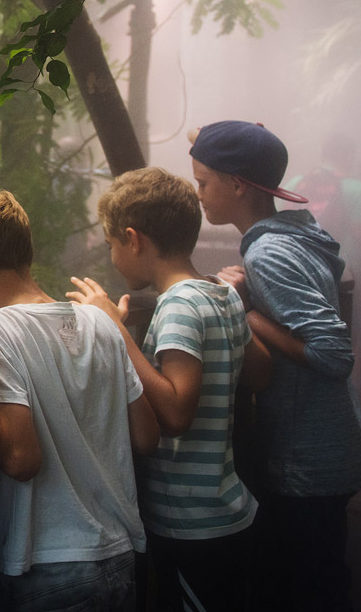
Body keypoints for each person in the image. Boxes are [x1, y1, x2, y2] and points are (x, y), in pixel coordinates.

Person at [0, 184, 158, 612]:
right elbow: (147, 436)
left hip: (47, 567)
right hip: (118, 554)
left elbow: (22, 460)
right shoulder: (99, 322)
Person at [188, 120, 361, 611]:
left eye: (204, 182)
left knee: (309, 590)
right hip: (326, 445)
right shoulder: (292, 234)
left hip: (307, 459)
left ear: (237, 184)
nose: (198, 193)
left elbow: (334, 354)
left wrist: (243, 308)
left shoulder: (269, 252)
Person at [68, 167, 269, 611]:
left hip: (191, 520)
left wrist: (113, 328)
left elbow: (177, 414)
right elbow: (260, 374)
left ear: (133, 238)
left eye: (111, 244)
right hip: (225, 506)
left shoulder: (178, 306)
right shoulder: (219, 294)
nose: (112, 255)